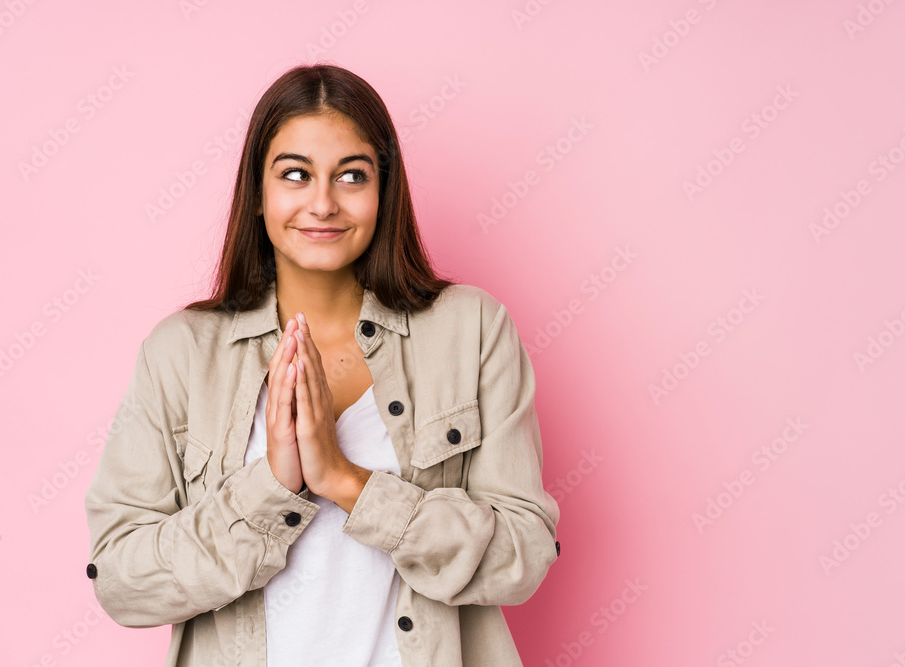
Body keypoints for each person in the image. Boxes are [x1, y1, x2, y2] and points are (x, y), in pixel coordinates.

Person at [84, 63, 561, 667]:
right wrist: (271, 489)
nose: (323, 203)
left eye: (352, 176)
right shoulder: (180, 352)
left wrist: (348, 483)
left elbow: (524, 555)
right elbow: (122, 581)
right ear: (258, 194)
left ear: (384, 192)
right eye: (295, 175)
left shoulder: (471, 329)